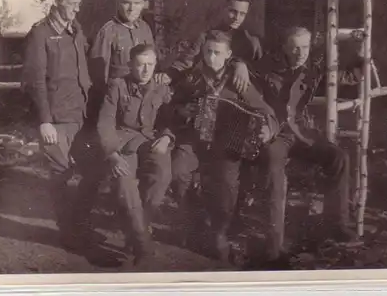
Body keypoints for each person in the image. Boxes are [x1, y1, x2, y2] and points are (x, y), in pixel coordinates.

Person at [249, 26, 362, 269]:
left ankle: (338, 225)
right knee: (273, 169)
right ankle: (274, 247)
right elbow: (252, 98)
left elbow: (347, 76)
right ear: (284, 48)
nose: (301, 53)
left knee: (338, 157)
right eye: (295, 47)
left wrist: (362, 56)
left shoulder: (312, 67)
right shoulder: (265, 67)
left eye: (305, 47)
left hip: (301, 133)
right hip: (274, 132)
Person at [169, 30, 278, 262]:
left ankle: (219, 231)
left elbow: (266, 111)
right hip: (193, 141)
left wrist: (268, 129)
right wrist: (180, 111)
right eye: (207, 51)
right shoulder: (191, 78)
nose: (211, 57)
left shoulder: (239, 80)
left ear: (228, 55)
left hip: (226, 147)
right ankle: (196, 222)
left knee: (228, 184)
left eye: (217, 53)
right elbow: (171, 105)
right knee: (178, 172)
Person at [21, 0, 104, 250]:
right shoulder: (41, 34)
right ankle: (69, 233)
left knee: (93, 172)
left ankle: (78, 223)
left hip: (81, 115)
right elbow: (35, 81)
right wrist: (44, 119)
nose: (77, 9)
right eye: (72, 4)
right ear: (56, 1)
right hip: (56, 118)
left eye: (79, 3)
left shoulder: (75, 30)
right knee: (61, 175)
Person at [96, 43, 174, 265]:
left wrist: (167, 137)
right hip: (122, 144)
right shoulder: (117, 86)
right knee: (124, 182)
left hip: (150, 141)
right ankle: (142, 244)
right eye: (140, 65)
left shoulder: (162, 88)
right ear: (130, 66)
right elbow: (105, 123)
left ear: (156, 64)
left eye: (150, 64)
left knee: (162, 172)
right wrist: (112, 154)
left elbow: (171, 118)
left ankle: (136, 228)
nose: (145, 70)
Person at [156, 0, 262, 92]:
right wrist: (170, 74)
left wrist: (243, 65)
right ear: (223, 8)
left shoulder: (251, 41)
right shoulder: (207, 36)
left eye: (242, 14)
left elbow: (259, 68)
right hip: (213, 90)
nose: (237, 18)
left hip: (242, 92)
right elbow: (187, 61)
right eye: (232, 11)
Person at [88, 0, 155, 121]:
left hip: (142, 99)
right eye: (126, 3)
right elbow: (99, 77)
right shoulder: (108, 31)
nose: (131, 8)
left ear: (143, 4)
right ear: (118, 3)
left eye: (136, 3)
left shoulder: (145, 28)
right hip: (119, 101)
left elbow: (151, 61)